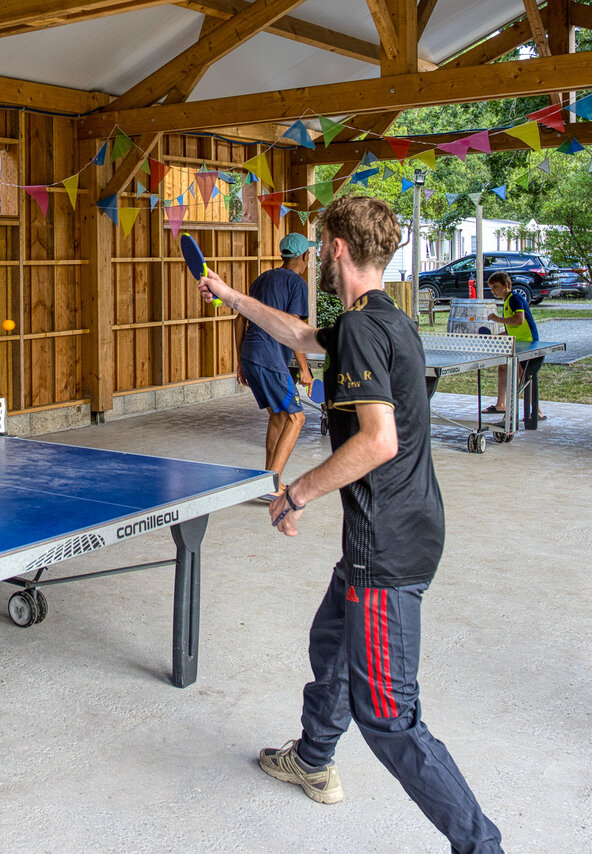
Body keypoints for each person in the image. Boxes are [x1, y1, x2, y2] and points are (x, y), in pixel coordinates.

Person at [197, 195, 503, 853]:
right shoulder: (384, 319)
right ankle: (312, 758)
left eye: (320, 247)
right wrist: (230, 295)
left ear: (334, 248)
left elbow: (378, 441)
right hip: (409, 527)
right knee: (331, 643)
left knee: (390, 717)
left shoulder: (362, 328)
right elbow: (302, 335)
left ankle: (481, 844)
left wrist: (296, 493)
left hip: (384, 548)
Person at [236, 233, 315, 500]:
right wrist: (303, 368)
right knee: (297, 417)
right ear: (304, 256)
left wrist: (239, 361)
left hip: (251, 353)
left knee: (280, 416)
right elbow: (293, 327)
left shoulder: (262, 279)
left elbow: (239, 320)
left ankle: (267, 478)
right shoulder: (297, 283)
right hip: (269, 358)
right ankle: (271, 485)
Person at [484, 271, 544, 421]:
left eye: (495, 287)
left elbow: (519, 320)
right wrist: (497, 337)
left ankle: (538, 411)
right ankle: (501, 405)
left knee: (524, 376)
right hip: (517, 342)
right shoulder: (507, 300)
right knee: (503, 367)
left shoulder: (515, 298)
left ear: (506, 285)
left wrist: (497, 319)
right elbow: (513, 327)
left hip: (528, 342)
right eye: (491, 288)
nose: (493, 291)